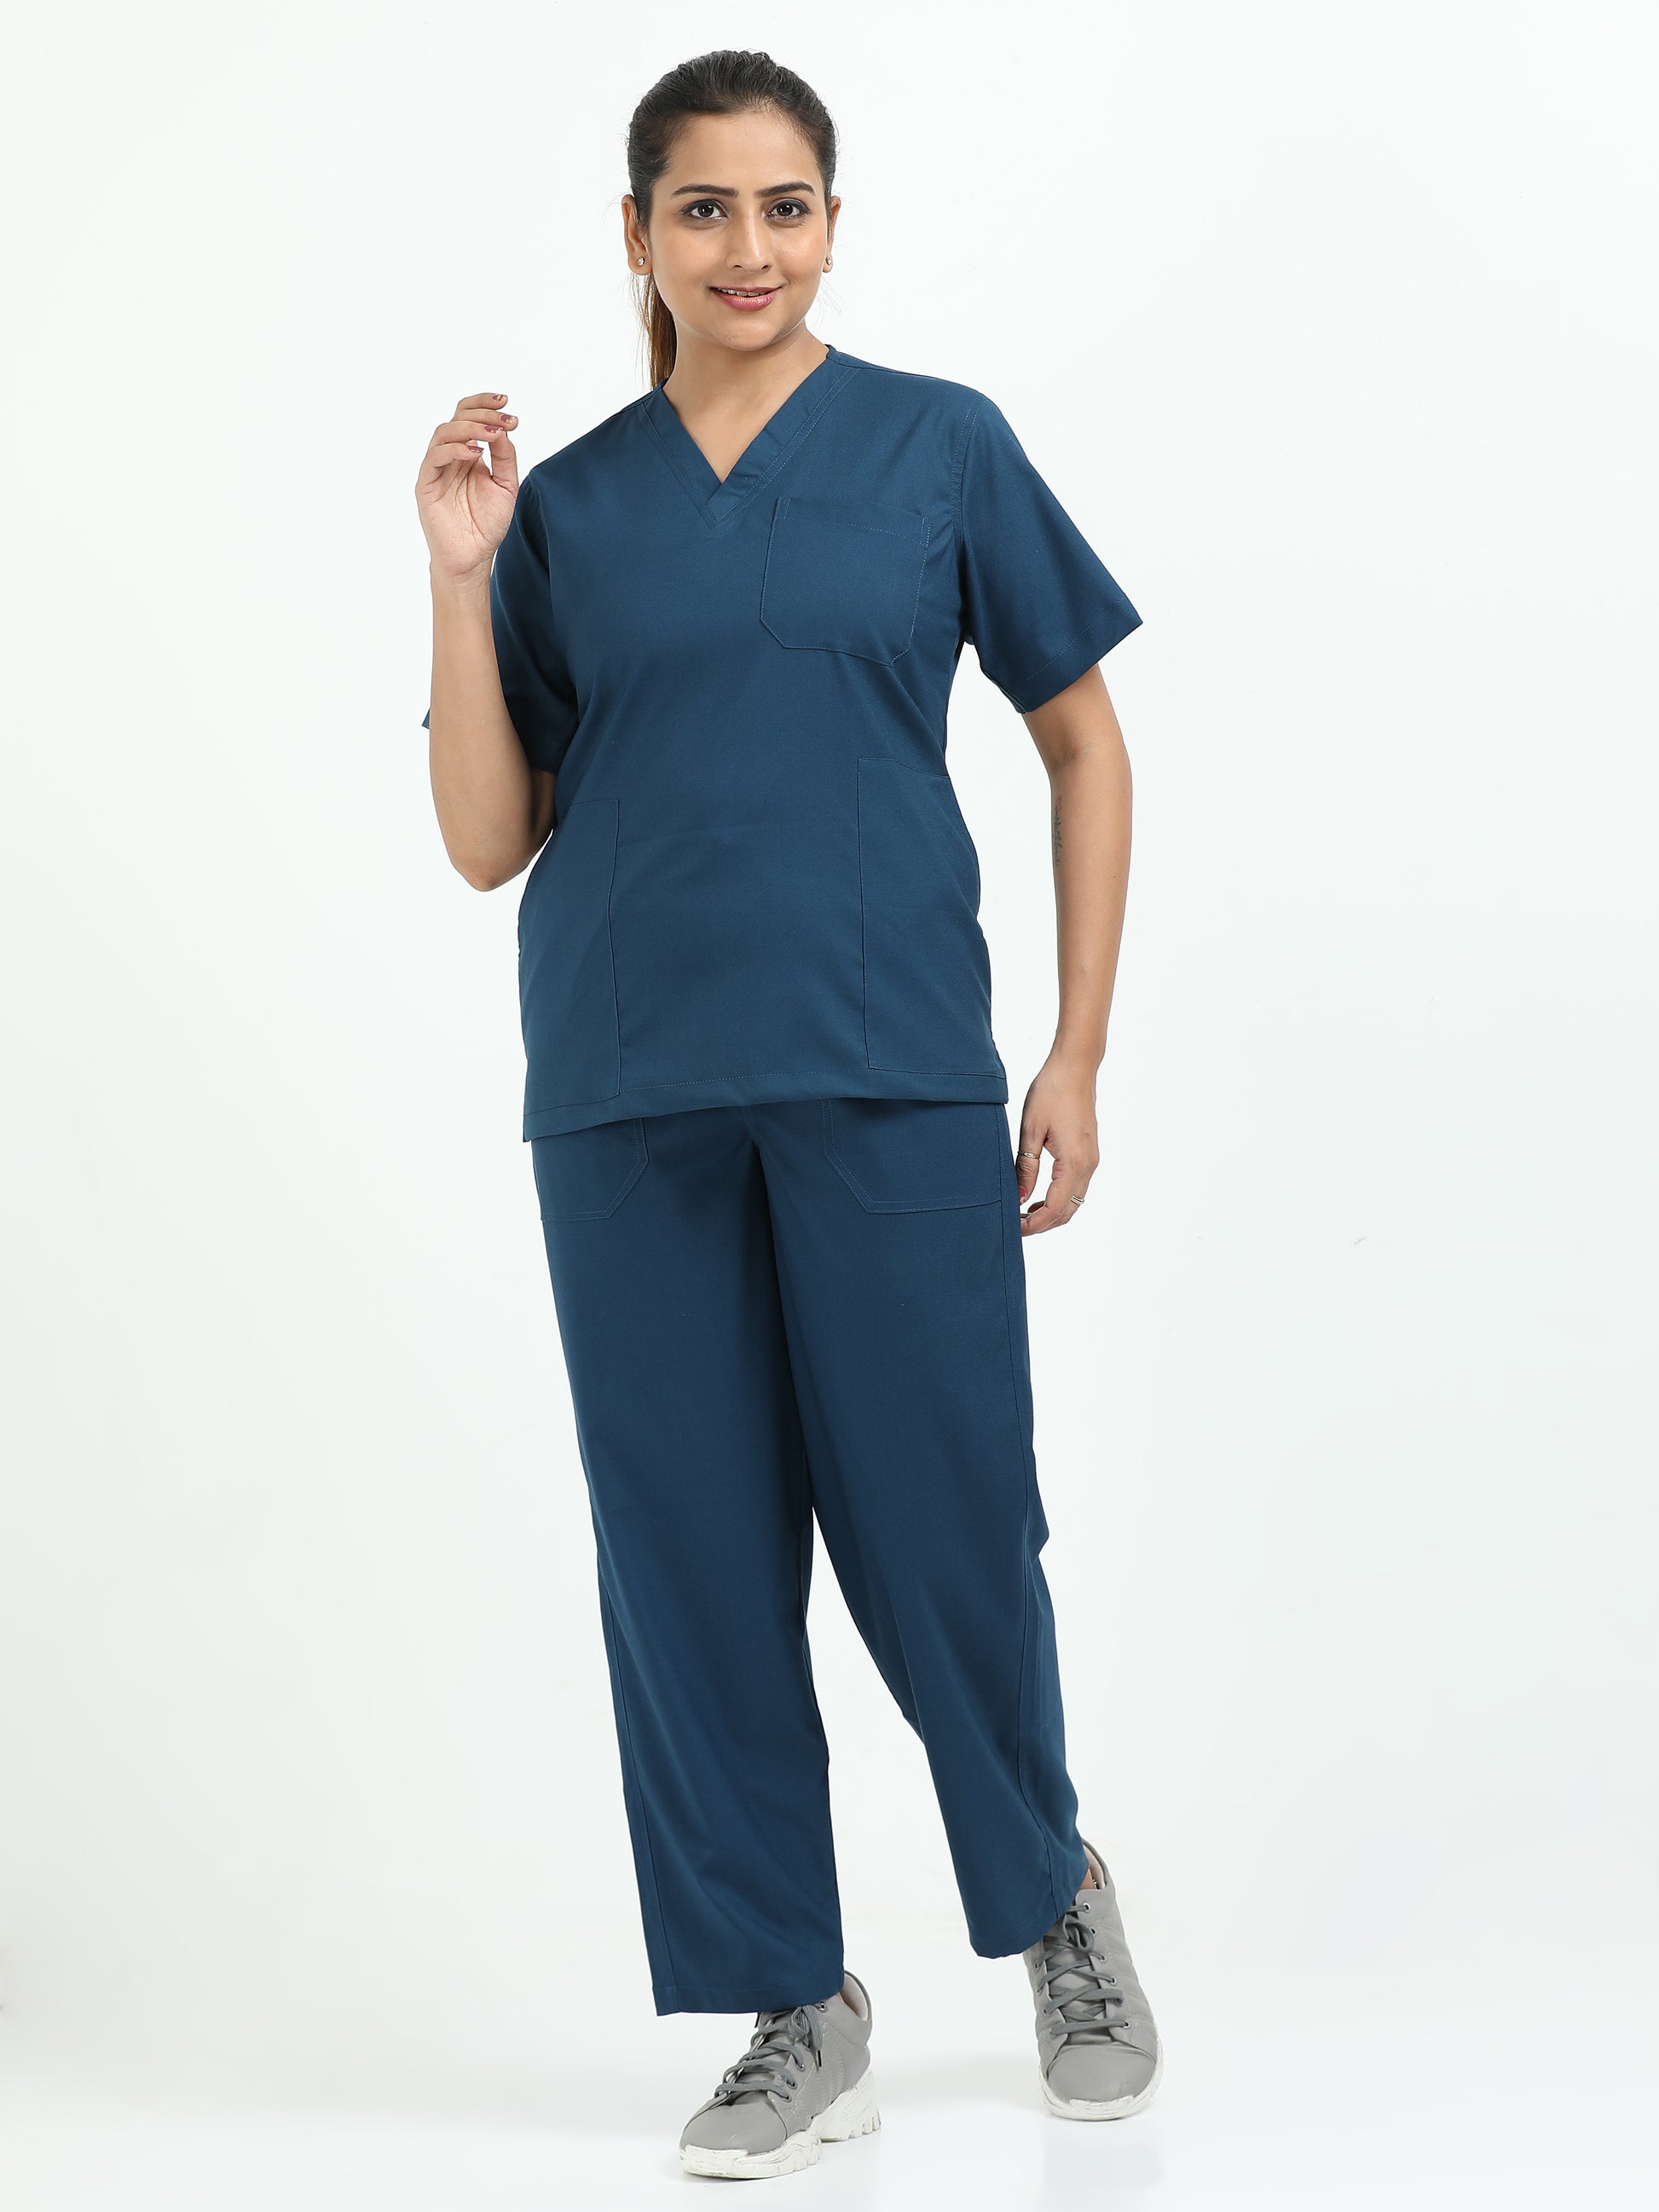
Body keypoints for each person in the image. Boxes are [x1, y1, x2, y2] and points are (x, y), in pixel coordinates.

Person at [414, 46, 1161, 2183]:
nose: (749, 248)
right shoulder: (566, 507)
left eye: (786, 206)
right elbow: (488, 836)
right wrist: (457, 574)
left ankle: (1050, 1895)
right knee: (688, 1556)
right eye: (705, 208)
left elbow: (1084, 743)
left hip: (887, 1066)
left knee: (946, 1524)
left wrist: (1075, 1049)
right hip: (628, 1084)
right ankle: (789, 1997)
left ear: (831, 223)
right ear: (637, 231)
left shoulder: (938, 445)